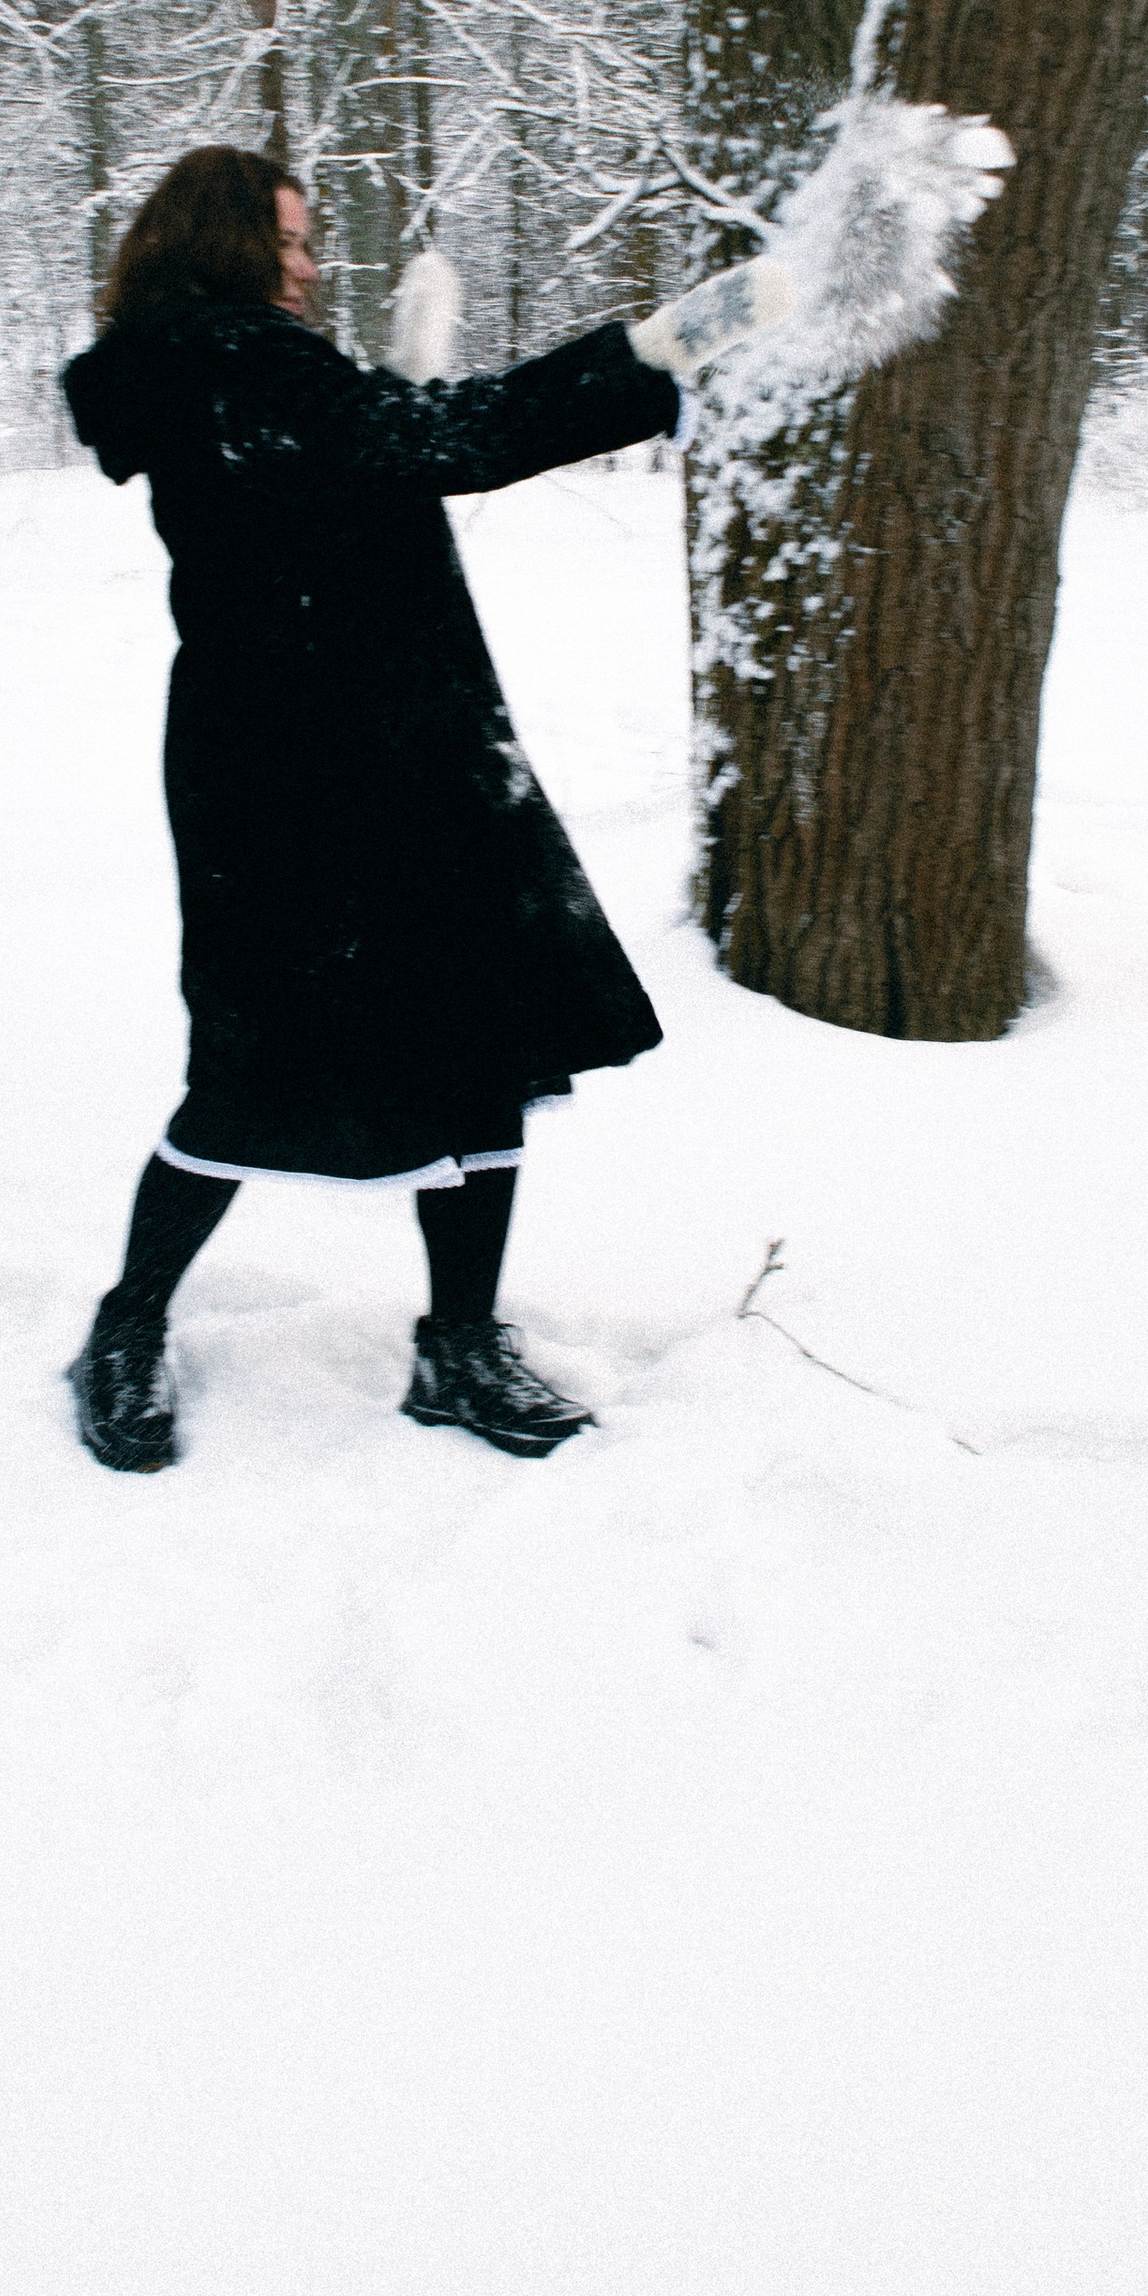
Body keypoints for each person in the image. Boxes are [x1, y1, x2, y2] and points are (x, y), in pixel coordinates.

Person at [59, 144, 760, 1470]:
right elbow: (449, 442)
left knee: (475, 1039)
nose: (309, 263)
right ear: (225, 246)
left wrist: (402, 412)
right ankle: (128, 1322)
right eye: (289, 241)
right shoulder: (231, 362)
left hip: (386, 752)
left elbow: (375, 462)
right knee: (252, 1070)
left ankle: (459, 1345)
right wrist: (662, 349)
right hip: (292, 782)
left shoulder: (241, 369)